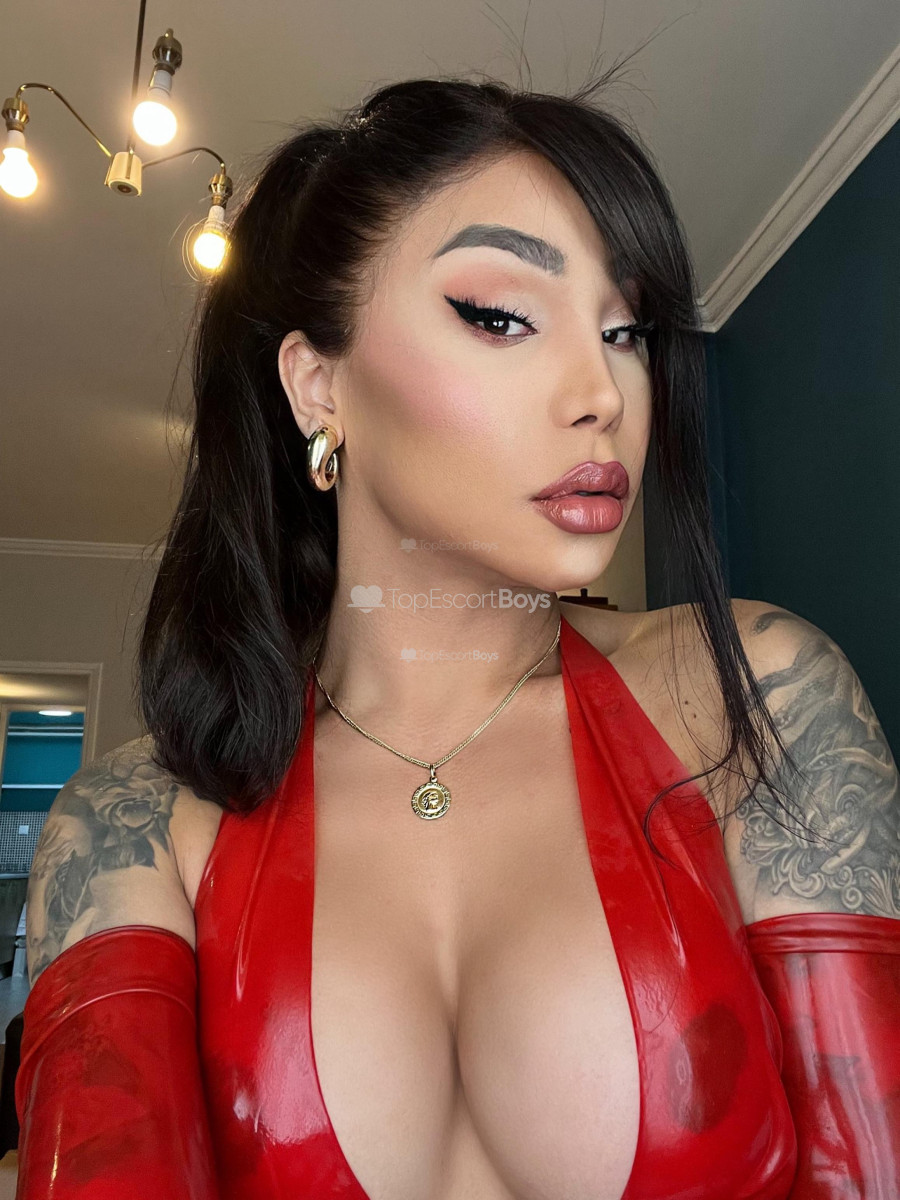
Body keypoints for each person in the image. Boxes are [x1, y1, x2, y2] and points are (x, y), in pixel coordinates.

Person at [13, 72, 900, 1200]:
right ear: (318, 385)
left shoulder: (758, 695)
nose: (604, 393)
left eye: (626, 331)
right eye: (500, 316)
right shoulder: (135, 828)